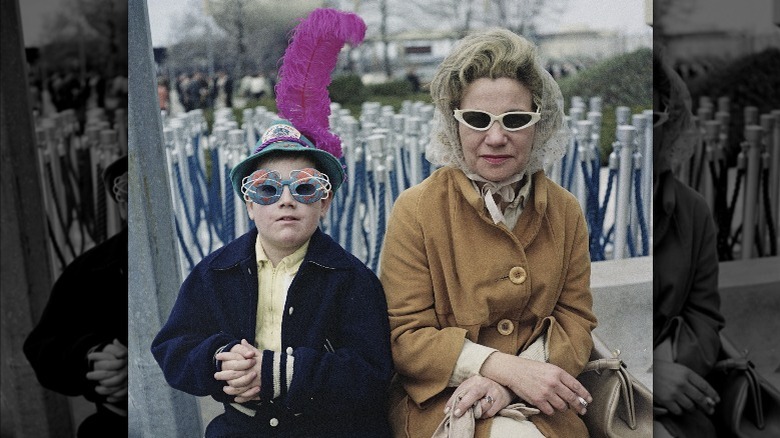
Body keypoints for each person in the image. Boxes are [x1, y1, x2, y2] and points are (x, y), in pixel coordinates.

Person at [379, 28, 597, 437]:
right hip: (441, 400)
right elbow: (405, 337)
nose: (496, 138)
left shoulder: (565, 211)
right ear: (453, 122)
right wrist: (502, 369)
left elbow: (575, 319)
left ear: (540, 122)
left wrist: (513, 382)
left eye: (515, 120)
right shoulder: (417, 210)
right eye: (478, 120)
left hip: (543, 402)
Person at [151, 119, 394, 437]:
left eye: (305, 188)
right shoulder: (214, 273)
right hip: (243, 426)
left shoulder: (352, 279)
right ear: (249, 204)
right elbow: (174, 348)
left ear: (325, 202)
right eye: (267, 189)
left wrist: (285, 373)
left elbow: (373, 374)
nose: (286, 200)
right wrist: (221, 360)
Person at [23, 154, 128, 438]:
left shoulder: (199, 260)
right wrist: (92, 358)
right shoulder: (92, 268)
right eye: (124, 191)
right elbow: (42, 346)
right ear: (120, 206)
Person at [651, 43, 724, 438]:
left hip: (678, 389)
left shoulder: (692, 211)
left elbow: (705, 314)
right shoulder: (578, 203)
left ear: (672, 116)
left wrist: (672, 362)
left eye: (655, 115)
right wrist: (644, 373)